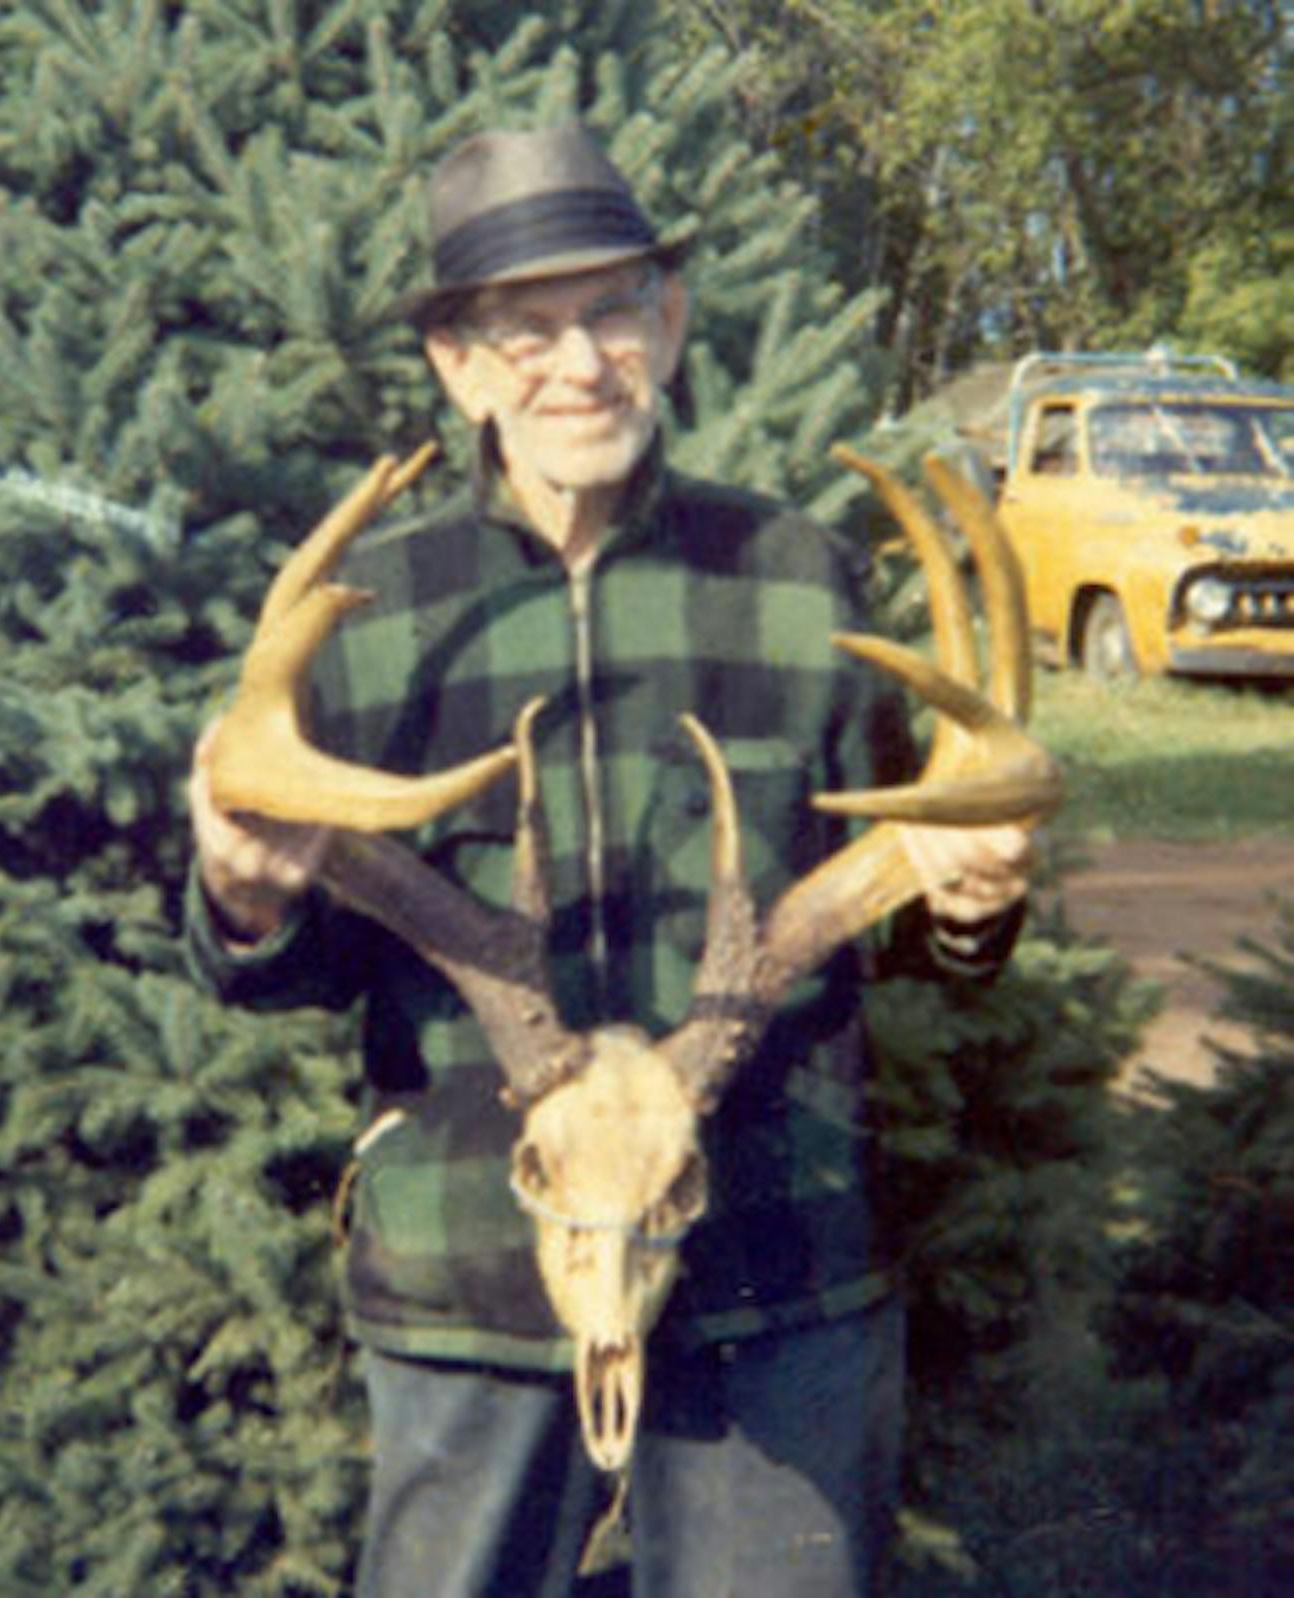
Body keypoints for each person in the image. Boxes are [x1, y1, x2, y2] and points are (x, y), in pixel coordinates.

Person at [186, 124, 1033, 1598]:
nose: (578, 362)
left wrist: (971, 900)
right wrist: (247, 895)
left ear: (671, 322)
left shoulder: (796, 582)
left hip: (777, 1268)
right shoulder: (373, 615)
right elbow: (295, 957)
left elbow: (905, 913)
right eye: (527, 327)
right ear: (459, 366)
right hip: (473, 1283)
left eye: (613, 312)